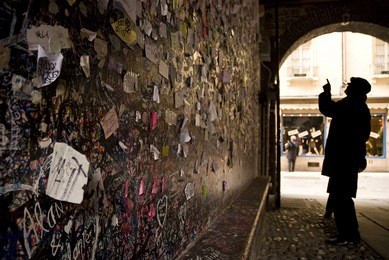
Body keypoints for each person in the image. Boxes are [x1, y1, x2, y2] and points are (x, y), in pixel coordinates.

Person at [319, 77, 371, 246]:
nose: (347, 86)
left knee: (342, 200)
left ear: (356, 90)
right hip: (346, 160)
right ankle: (348, 235)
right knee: (342, 198)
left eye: (350, 85)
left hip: (344, 161)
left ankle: (348, 236)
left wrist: (326, 93)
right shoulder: (357, 106)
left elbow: (328, 108)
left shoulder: (352, 105)